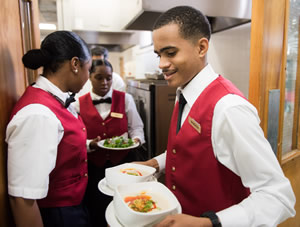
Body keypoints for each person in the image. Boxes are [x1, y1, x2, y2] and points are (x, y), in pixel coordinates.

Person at [138, 6, 296, 227]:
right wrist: (154, 164)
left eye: (170, 53)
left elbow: (278, 197)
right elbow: (185, 149)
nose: (161, 64)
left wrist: (209, 222)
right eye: (159, 54)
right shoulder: (183, 91)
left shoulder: (229, 108)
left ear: (201, 47)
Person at [6, 31, 92, 227]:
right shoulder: (38, 114)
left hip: (73, 205)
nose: (88, 77)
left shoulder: (57, 98)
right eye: (89, 68)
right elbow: (22, 199)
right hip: (57, 215)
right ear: (75, 64)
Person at [73, 59, 145, 227]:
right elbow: (76, 139)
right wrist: (91, 144)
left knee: (124, 203)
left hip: (123, 163)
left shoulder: (126, 99)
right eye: (99, 77)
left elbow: (137, 128)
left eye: (109, 77)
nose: (104, 82)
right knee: (96, 206)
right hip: (93, 167)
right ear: (90, 77)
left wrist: (136, 140)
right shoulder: (77, 104)